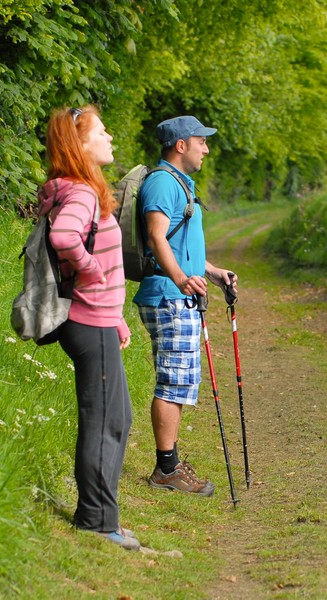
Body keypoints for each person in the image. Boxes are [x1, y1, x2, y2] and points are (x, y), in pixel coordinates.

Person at [41, 105, 139, 550]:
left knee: (117, 417)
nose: (110, 136)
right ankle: (98, 523)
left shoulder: (83, 189)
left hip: (99, 320)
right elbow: (65, 239)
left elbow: (101, 253)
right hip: (86, 322)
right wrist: (90, 274)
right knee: (103, 423)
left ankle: (102, 516)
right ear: (80, 145)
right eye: (102, 131)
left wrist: (116, 315)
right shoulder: (81, 192)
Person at [134, 115, 237, 496]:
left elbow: (179, 242)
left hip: (179, 294)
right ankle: (166, 469)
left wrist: (209, 271)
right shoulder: (163, 182)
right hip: (169, 296)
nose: (206, 149)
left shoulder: (179, 183)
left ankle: (171, 464)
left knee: (179, 380)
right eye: (201, 142)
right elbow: (156, 237)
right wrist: (181, 279)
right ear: (181, 145)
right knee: (173, 380)